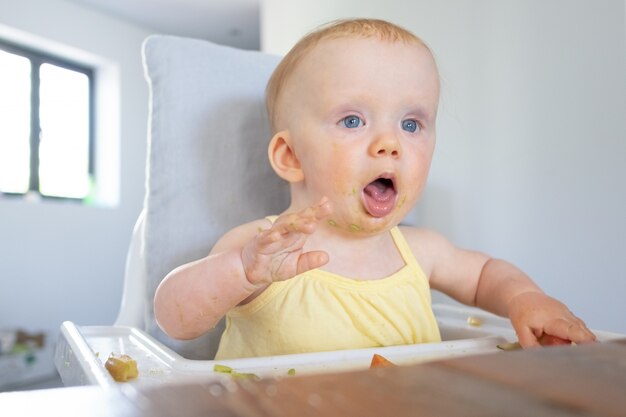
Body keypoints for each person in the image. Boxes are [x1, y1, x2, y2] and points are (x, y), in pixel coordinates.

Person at [154, 18, 596, 359]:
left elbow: (485, 276)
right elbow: (174, 318)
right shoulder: (262, 250)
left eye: (411, 123)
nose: (390, 143)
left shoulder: (421, 251)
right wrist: (240, 272)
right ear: (291, 157)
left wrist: (526, 299)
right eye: (353, 120)